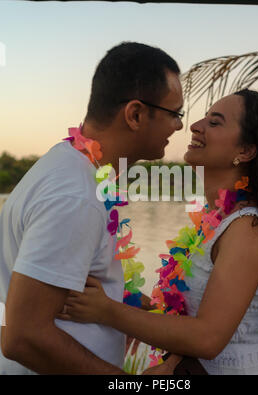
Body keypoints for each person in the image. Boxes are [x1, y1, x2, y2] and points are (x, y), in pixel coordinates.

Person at [57, 89, 258, 375]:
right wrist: (123, 299)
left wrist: (106, 311)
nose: (195, 125)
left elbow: (208, 338)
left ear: (244, 151)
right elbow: (193, 314)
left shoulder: (248, 229)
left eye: (215, 122)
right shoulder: (219, 221)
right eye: (205, 117)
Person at [0, 42, 184, 374]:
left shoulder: (77, 170)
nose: (180, 127)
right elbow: (23, 337)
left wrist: (135, 305)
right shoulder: (74, 195)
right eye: (175, 113)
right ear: (136, 114)